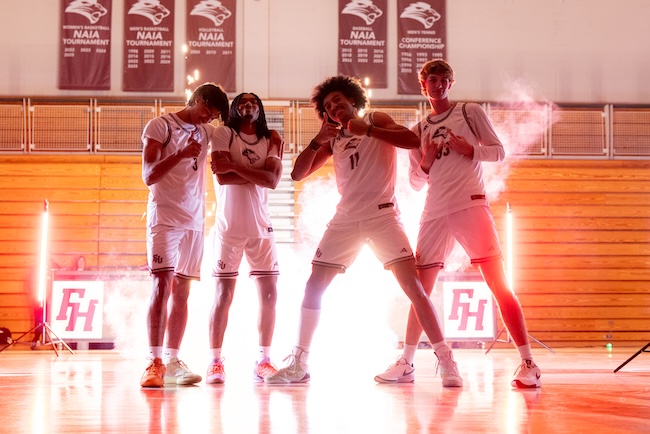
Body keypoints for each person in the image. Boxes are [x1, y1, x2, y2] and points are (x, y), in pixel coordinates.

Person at [265, 75, 462, 387]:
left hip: (382, 215)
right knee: (314, 286)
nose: (335, 108)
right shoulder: (332, 139)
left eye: (339, 102)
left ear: (352, 101)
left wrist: (368, 130)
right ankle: (300, 361)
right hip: (345, 218)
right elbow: (298, 173)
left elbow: (413, 142)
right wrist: (318, 139)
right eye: (329, 106)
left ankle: (446, 360)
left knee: (414, 288)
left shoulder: (374, 118)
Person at [374, 59, 541, 388]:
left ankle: (528, 363)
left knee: (499, 284)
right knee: (420, 290)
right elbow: (416, 182)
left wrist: (470, 149)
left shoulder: (469, 112)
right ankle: (407, 362)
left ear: (451, 83)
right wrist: (426, 161)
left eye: (442, 79)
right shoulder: (419, 130)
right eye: (430, 80)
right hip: (435, 211)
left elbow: (498, 151)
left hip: (470, 205)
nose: (436, 85)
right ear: (423, 86)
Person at [139, 83, 229, 388]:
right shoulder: (160, 125)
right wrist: (178, 153)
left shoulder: (206, 133)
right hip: (164, 218)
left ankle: (173, 360)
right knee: (161, 286)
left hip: (194, 222)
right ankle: (154, 362)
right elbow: (148, 175)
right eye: (207, 110)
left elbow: (241, 133)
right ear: (197, 99)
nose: (208, 118)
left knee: (183, 293)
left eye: (214, 116)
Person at [206, 92, 285, 384]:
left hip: (261, 228)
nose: (248, 105)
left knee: (269, 294)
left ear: (260, 108)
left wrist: (236, 167)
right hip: (229, 229)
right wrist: (257, 172)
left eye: (254, 102)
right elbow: (222, 177)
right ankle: (215, 362)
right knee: (223, 296)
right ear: (235, 108)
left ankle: (263, 359)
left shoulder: (272, 137)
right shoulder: (223, 133)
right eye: (242, 101)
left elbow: (273, 180)